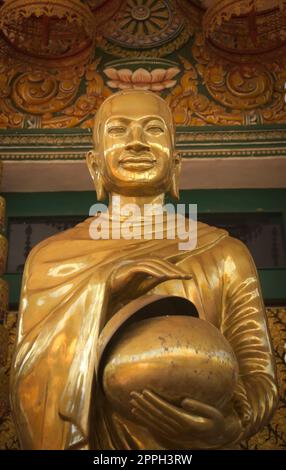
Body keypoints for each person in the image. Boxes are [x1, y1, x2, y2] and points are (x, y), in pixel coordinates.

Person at [10, 90, 278, 449]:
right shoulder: (51, 259)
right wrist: (103, 292)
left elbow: (258, 372)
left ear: (176, 163)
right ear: (94, 165)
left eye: (153, 130)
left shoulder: (226, 254)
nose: (136, 143)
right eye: (118, 131)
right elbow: (29, 380)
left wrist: (231, 424)